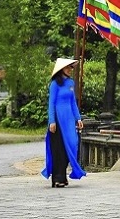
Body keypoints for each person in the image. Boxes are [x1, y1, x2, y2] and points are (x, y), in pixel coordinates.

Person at [41, 58, 86, 188]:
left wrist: (78, 118)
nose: (70, 70)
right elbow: (51, 104)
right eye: (67, 67)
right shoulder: (55, 84)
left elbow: (73, 102)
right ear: (61, 69)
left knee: (72, 145)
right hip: (58, 120)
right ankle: (58, 178)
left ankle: (63, 175)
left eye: (71, 67)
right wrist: (52, 121)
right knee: (59, 150)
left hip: (69, 120)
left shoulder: (71, 83)